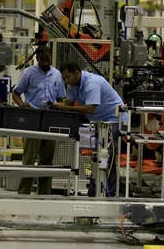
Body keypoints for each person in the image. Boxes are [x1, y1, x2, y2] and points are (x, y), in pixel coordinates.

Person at [53, 62, 126, 197]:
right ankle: (99, 190)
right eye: (64, 78)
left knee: (106, 156)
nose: (66, 81)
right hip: (99, 121)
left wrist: (66, 108)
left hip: (114, 119)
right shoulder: (73, 86)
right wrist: (56, 106)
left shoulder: (91, 83)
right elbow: (68, 104)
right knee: (100, 156)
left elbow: (90, 108)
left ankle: (106, 193)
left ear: (77, 72)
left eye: (68, 77)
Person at [12, 47, 65, 195]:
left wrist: (60, 106)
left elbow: (62, 97)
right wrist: (23, 105)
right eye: (43, 60)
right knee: (29, 159)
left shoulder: (57, 74)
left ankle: (45, 194)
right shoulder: (29, 73)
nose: (46, 62)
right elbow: (15, 94)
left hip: (50, 119)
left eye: (48, 59)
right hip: (33, 119)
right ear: (38, 59)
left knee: (47, 161)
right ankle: (24, 193)